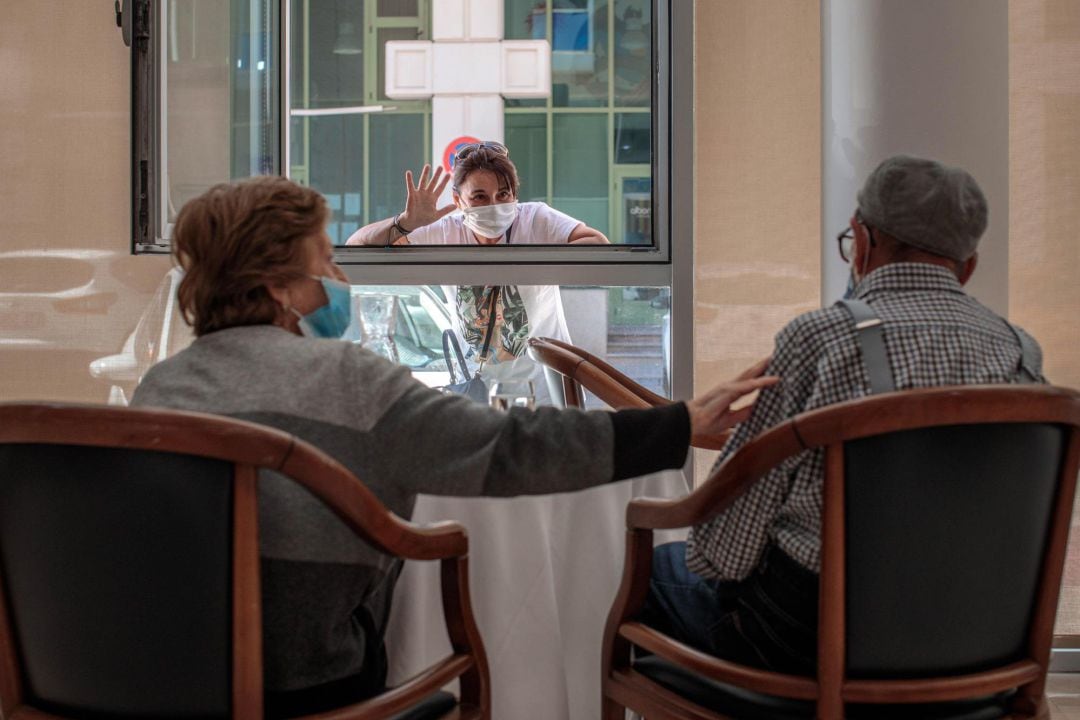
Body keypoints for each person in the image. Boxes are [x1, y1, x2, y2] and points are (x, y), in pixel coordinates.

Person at [130, 175, 775, 716]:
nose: (338, 275)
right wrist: (679, 424)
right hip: (312, 685)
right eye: (324, 260)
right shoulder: (348, 380)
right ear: (277, 287)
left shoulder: (161, 388)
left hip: (169, 675)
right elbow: (509, 448)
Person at [639, 154, 1046, 675]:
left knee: (649, 571)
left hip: (819, 645)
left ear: (862, 241)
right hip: (983, 642)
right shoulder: (1022, 354)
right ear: (969, 266)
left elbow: (720, 555)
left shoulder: (820, 339)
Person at [345, 142, 609, 405]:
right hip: (475, 392)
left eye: (503, 194)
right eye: (479, 196)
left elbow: (597, 244)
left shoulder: (536, 219)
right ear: (459, 200)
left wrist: (535, 262)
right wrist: (404, 224)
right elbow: (356, 247)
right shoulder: (444, 230)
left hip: (543, 390)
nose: (493, 205)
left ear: (515, 196)